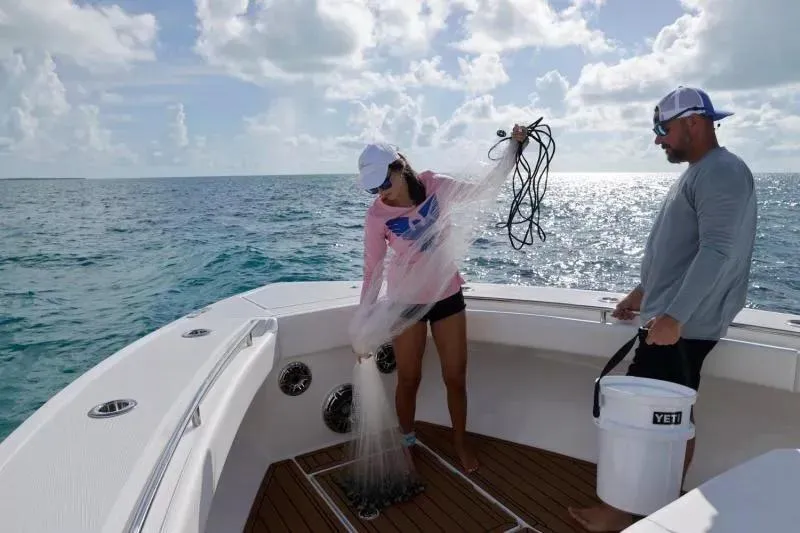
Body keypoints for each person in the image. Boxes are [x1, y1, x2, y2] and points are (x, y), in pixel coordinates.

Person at [568, 86, 758, 531]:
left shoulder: (721, 172)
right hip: (672, 320)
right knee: (671, 419)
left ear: (694, 122)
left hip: (680, 327)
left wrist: (675, 317)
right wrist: (641, 293)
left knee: (650, 418)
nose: (658, 140)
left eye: (663, 129)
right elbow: (680, 252)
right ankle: (659, 506)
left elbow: (716, 251)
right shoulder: (703, 171)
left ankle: (623, 513)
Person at [355, 126, 529, 474]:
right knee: (409, 379)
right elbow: (372, 271)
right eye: (373, 188)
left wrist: (514, 148)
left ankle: (461, 442)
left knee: (455, 376)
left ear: (398, 166)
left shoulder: (436, 185)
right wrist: (363, 327)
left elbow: (485, 189)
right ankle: (407, 441)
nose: (381, 193)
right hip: (406, 304)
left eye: (384, 183)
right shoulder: (377, 216)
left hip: (447, 295)